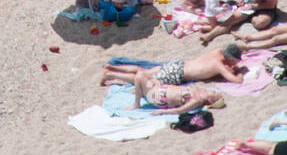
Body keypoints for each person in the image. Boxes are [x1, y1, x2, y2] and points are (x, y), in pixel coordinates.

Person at [100, 43, 245, 88]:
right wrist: (238, 72)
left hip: (178, 63)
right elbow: (236, 80)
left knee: (145, 70)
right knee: (144, 78)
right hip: (178, 73)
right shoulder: (218, 65)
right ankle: (111, 75)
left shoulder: (217, 52)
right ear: (230, 58)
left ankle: (112, 67)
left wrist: (229, 66)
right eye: (235, 60)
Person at [132, 74, 223, 113]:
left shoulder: (197, 100)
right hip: (161, 88)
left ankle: (136, 104)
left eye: (214, 93)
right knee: (146, 76)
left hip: (159, 98)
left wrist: (162, 111)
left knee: (139, 77)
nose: (213, 90)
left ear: (210, 100)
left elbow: (180, 110)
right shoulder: (198, 89)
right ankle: (140, 91)